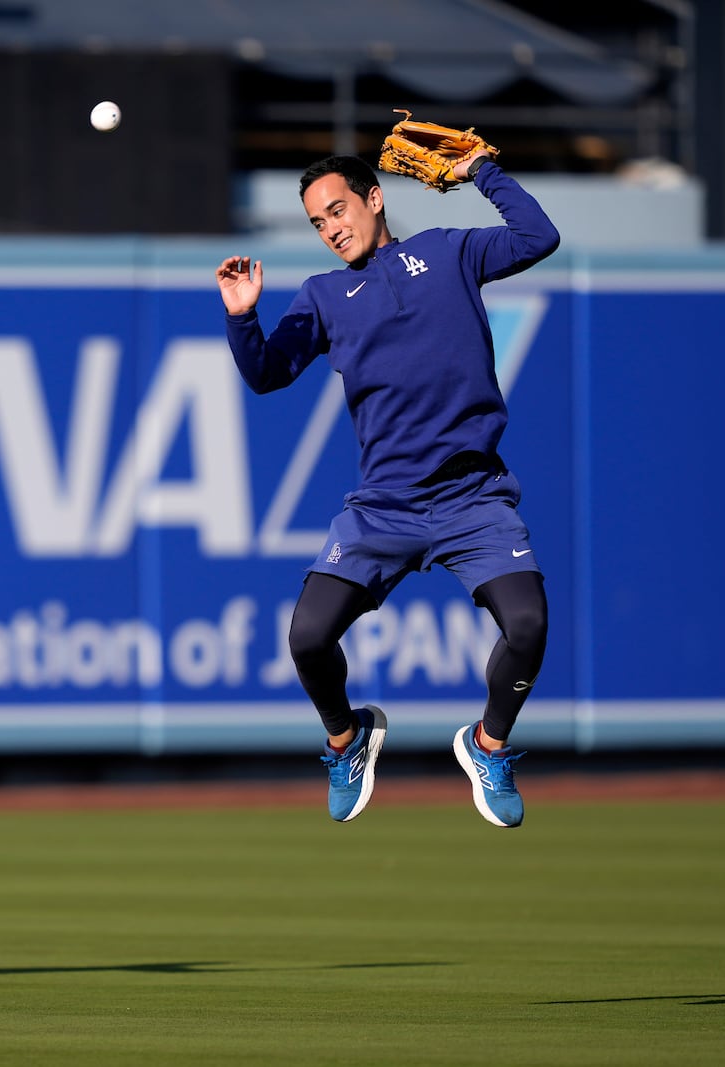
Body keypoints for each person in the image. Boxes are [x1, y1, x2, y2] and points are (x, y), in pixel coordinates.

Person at [215, 149, 559, 828]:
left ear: (374, 199)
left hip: (472, 497)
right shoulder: (323, 294)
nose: (331, 228)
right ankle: (346, 739)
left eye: (338, 209)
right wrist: (241, 316)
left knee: (528, 624)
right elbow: (266, 373)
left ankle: (488, 745)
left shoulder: (448, 253)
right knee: (308, 638)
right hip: (386, 506)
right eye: (317, 222)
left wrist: (480, 171)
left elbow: (537, 237)